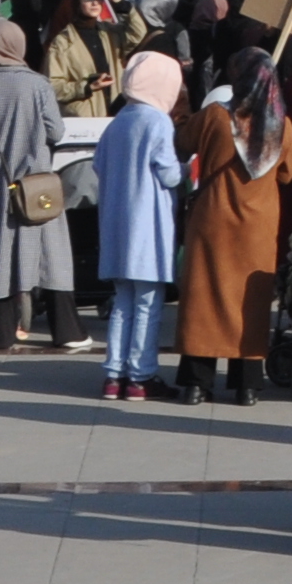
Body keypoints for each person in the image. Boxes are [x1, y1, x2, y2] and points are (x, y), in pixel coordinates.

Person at [176, 49, 291, 404]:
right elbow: (288, 173)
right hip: (258, 224)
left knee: (204, 298)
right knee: (251, 302)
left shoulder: (213, 116)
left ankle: (197, 383)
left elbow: (181, 145)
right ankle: (247, 386)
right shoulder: (281, 126)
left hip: (213, 218)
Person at [0, 22, 81, 353]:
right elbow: (55, 132)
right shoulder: (38, 85)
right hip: (34, 182)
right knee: (47, 253)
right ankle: (65, 329)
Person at [92, 52, 187, 402]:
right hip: (148, 225)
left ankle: (114, 375)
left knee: (123, 302)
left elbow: (98, 165)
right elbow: (169, 173)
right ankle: (141, 375)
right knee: (149, 303)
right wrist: (189, 169)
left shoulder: (119, 121)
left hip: (116, 224)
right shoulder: (158, 122)